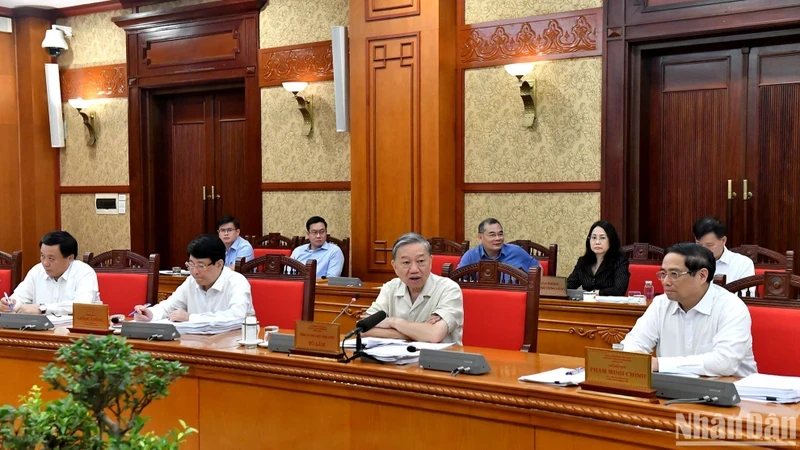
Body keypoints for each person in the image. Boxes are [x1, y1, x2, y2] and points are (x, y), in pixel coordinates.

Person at [619, 243, 757, 377]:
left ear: (702, 276)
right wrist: (634, 355)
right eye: (663, 273)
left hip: (734, 395)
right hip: (672, 392)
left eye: (674, 274)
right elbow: (631, 343)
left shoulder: (731, 307)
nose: (665, 281)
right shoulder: (661, 304)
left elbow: (724, 362)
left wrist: (659, 364)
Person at [363, 232, 464, 344]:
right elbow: (364, 329)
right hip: (395, 359)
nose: (414, 269)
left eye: (420, 261)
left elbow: (434, 335)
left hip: (439, 360)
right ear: (395, 266)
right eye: (406, 262)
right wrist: (418, 333)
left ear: (430, 262)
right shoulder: (389, 288)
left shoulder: (449, 289)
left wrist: (393, 322)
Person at [133, 234, 252, 323]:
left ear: (219, 264)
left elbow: (237, 317)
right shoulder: (191, 281)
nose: (195, 271)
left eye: (201, 265)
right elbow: (169, 306)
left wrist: (190, 318)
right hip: (194, 344)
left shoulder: (237, 282)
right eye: (191, 264)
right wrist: (149, 314)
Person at [0, 231, 100, 316]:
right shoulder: (37, 270)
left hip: (76, 333)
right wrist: (10, 304)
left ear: (70, 258)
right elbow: (20, 297)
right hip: (41, 332)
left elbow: (82, 306)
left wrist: (43, 308)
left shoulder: (84, 272)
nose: (45, 263)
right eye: (42, 256)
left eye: (51, 258)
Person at [566, 221, 630, 296]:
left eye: (602, 238)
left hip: (609, 306)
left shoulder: (620, 261)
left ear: (611, 240)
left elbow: (618, 290)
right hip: (587, 306)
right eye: (593, 237)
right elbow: (570, 285)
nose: (597, 242)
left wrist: (597, 293)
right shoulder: (583, 261)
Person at [456, 218, 540, 270]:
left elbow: (538, 268)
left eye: (500, 234)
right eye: (492, 235)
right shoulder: (471, 256)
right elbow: (457, 278)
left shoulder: (516, 251)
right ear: (480, 237)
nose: (498, 238)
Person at [692, 217, 755, 285]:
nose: (703, 250)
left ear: (723, 240)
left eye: (709, 245)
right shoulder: (688, 262)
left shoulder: (742, 263)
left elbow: (745, 294)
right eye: (699, 245)